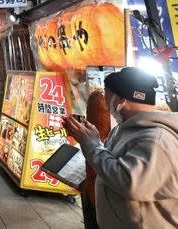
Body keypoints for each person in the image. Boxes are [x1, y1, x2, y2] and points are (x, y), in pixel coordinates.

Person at [63, 67, 178, 229]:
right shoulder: (124, 129)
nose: (105, 102)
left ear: (121, 100)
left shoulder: (157, 140)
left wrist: (93, 146)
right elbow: (113, 161)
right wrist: (92, 139)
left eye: (107, 97)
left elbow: (131, 183)